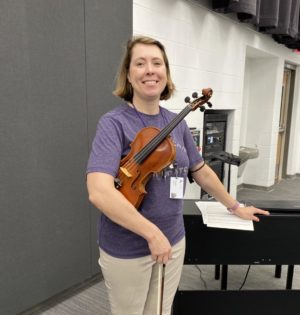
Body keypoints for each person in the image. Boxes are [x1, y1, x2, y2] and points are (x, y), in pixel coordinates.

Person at [86, 35, 269, 315]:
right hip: (128, 246)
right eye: (140, 63)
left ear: (166, 73)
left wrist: (235, 206)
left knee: (160, 311)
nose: (150, 69)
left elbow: (201, 171)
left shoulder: (176, 123)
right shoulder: (114, 124)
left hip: (173, 239)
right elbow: (99, 191)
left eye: (157, 63)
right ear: (128, 75)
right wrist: (151, 234)